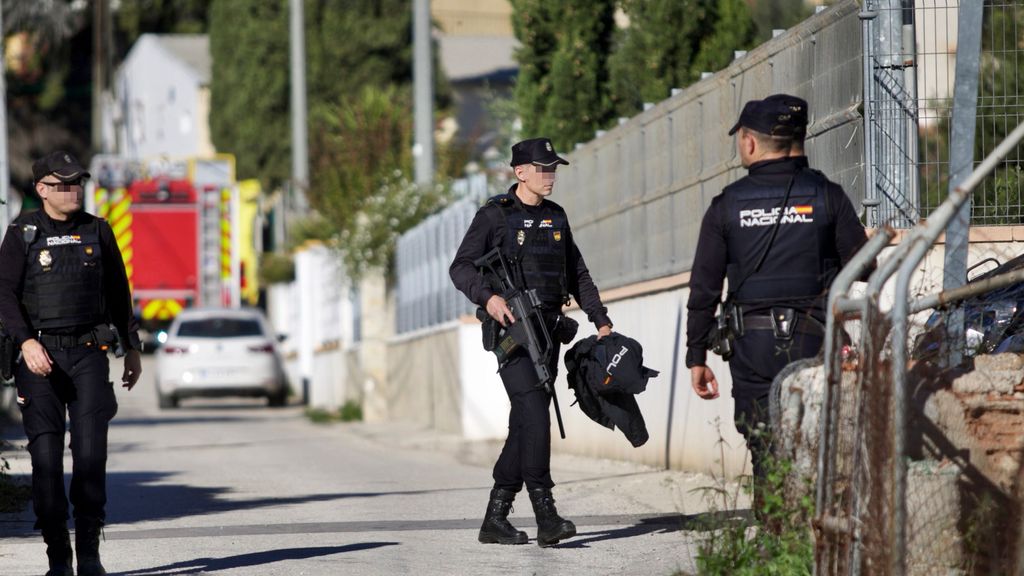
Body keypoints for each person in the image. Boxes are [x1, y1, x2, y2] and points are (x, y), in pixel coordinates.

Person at [685, 95, 870, 503]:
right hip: (817, 343)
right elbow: (864, 268)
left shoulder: (727, 206)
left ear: (750, 143)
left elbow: (704, 289)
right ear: (800, 139)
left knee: (765, 445)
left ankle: (776, 538)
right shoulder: (828, 196)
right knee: (821, 441)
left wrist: (696, 356)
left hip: (752, 348)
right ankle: (821, 534)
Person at [450, 137, 613, 547]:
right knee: (536, 414)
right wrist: (488, 298)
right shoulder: (495, 217)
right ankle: (547, 514)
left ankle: (496, 518)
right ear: (520, 172)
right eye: (542, 168)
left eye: (553, 167)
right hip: (513, 334)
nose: (549, 175)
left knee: (524, 423)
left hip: (548, 331)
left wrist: (600, 318)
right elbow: (461, 266)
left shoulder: (557, 217)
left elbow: (577, 271)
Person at [0, 151, 143, 576]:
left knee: (91, 456)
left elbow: (118, 293)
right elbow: (4, 295)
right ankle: (57, 556)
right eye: (62, 184)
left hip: (88, 354)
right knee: (45, 458)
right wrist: (26, 343)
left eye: (77, 182)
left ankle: (90, 554)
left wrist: (130, 347)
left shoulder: (98, 230)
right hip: (39, 359)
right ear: (41, 189)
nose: (73, 190)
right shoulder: (22, 232)